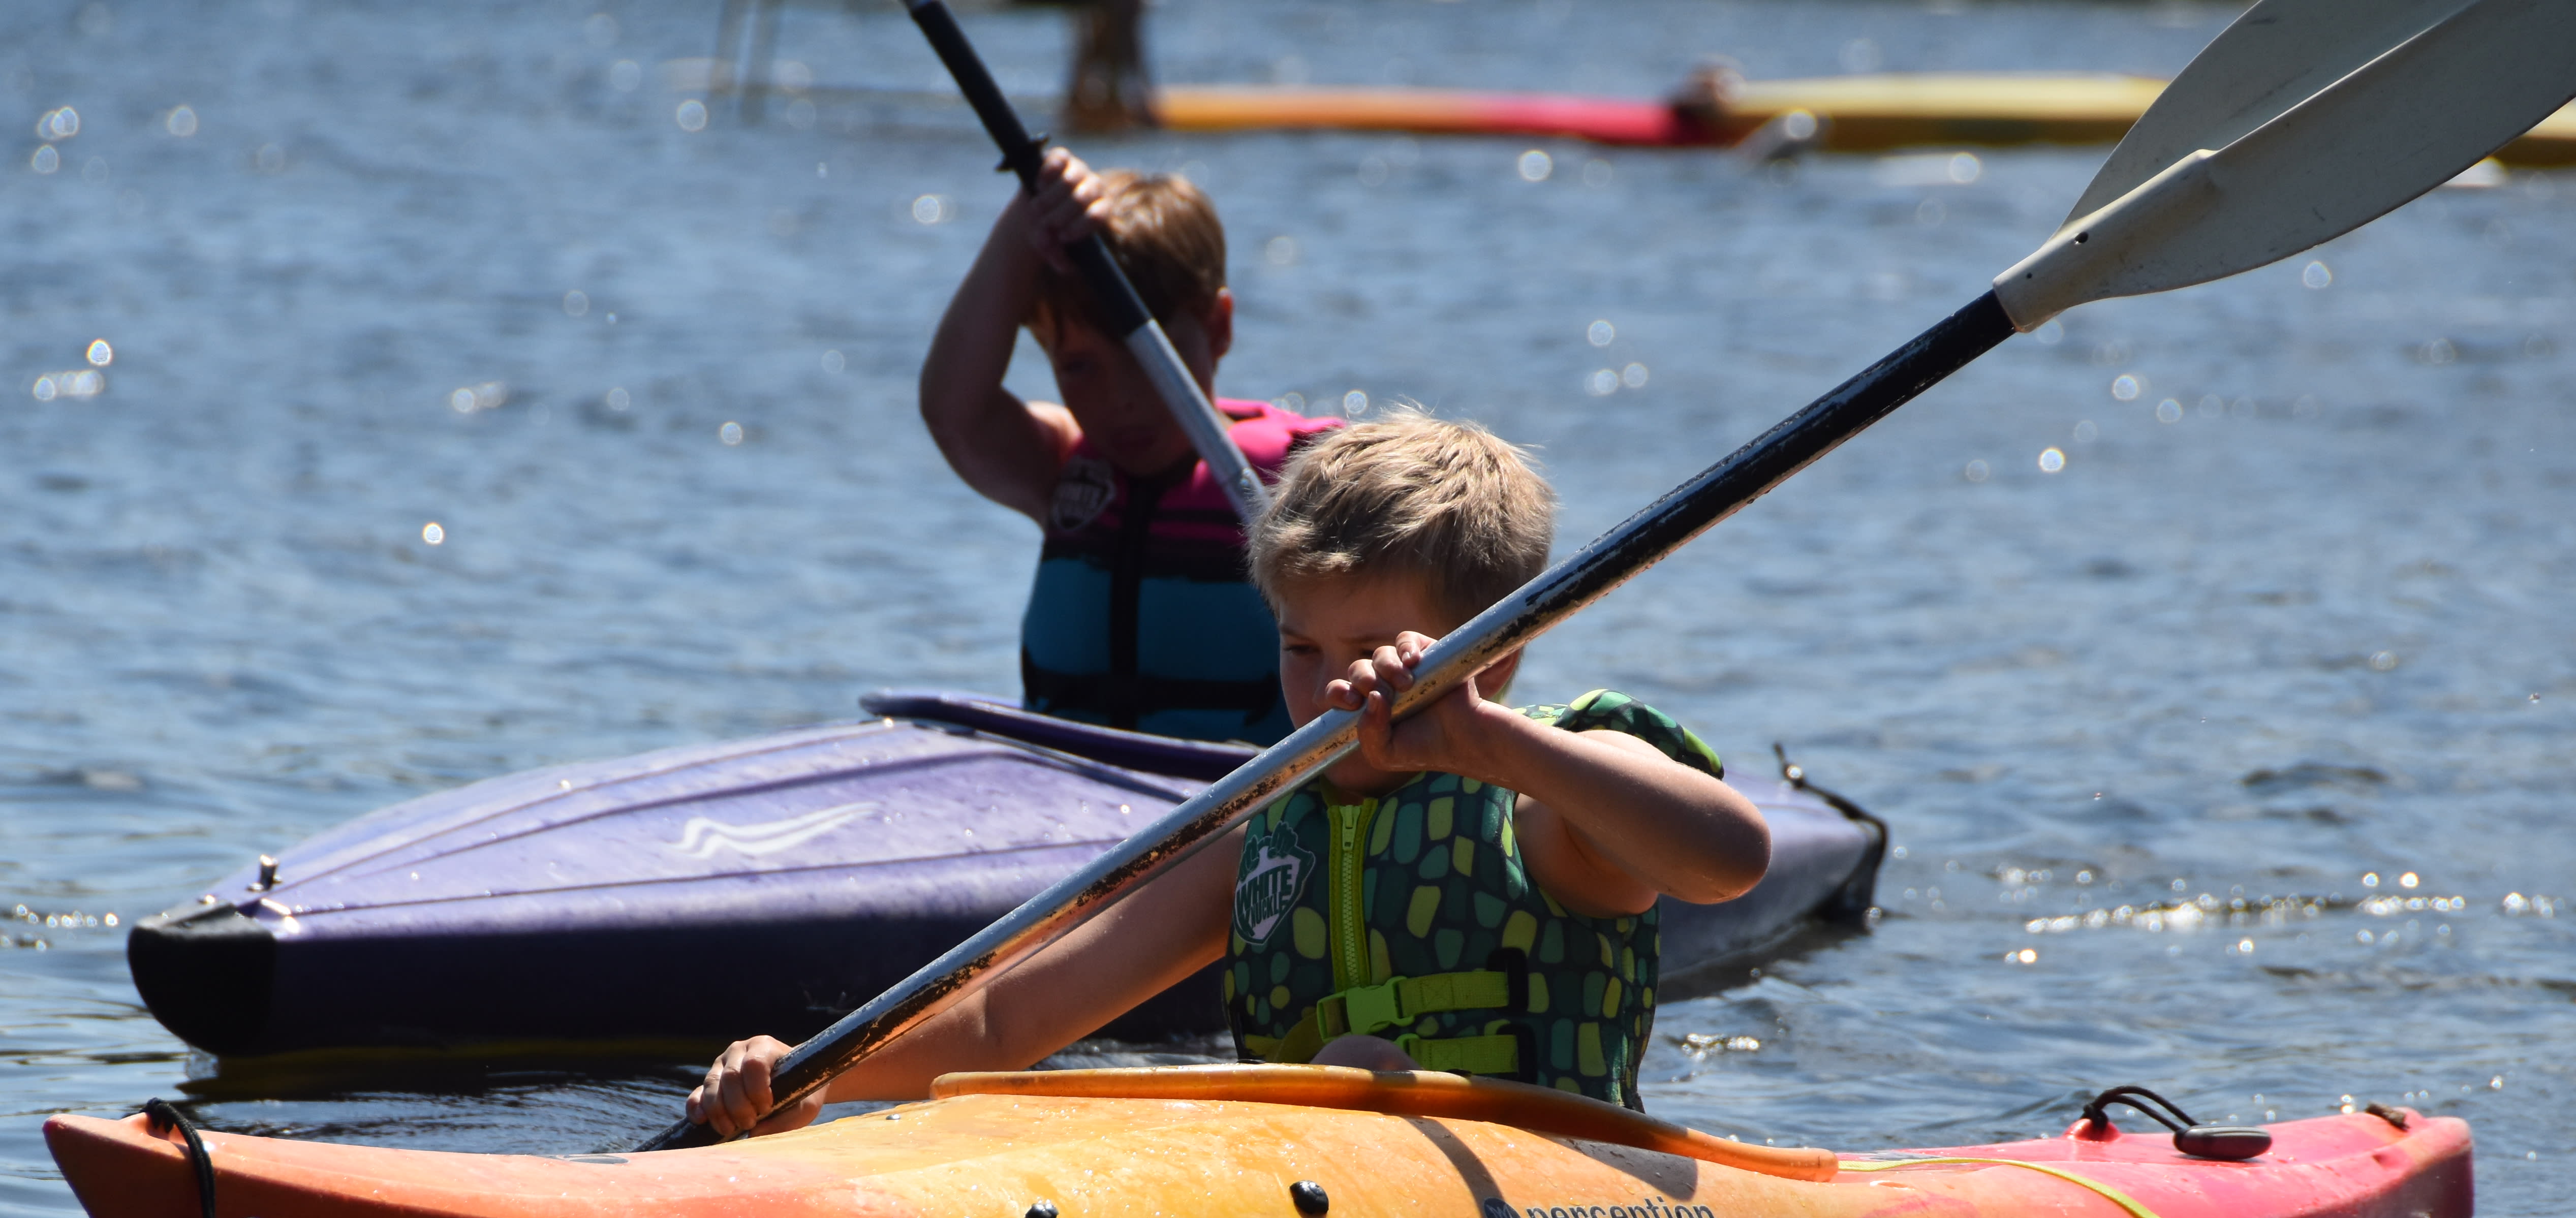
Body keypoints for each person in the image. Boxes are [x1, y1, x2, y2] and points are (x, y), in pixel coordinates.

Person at [690, 411, 1771, 1136]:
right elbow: (1006, 1023)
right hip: (1304, 1190)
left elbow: (1730, 857)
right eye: (1301, 649)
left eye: (1371, 652)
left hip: (1550, 1199)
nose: (1330, 689)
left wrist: (1491, 741)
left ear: (1497, 653)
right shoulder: (1265, 831)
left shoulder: (1549, 795)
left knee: (1362, 1066)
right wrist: (820, 1072)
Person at [920, 146, 1333, 744]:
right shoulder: (1061, 464)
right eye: (1080, 365)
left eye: (1144, 358)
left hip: (1229, 809)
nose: (1121, 401)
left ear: (1216, 326)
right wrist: (1022, 226)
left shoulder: (1307, 480)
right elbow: (952, 410)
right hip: (1069, 798)